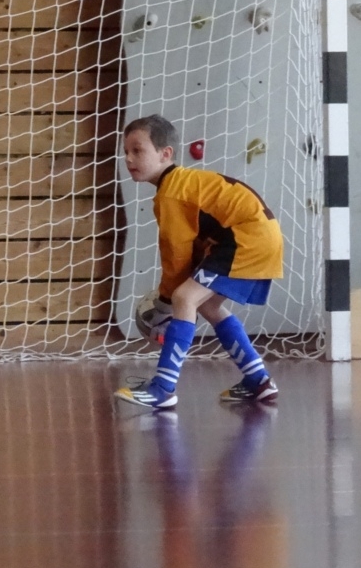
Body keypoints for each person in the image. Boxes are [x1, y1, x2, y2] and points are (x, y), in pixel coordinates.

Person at [114, 115, 282, 409]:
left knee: (184, 298)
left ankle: (163, 388)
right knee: (206, 305)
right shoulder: (180, 184)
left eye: (137, 150)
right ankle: (259, 380)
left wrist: (165, 303)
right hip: (255, 236)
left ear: (165, 153)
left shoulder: (171, 193)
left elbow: (176, 256)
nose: (128, 158)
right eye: (126, 151)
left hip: (245, 238)